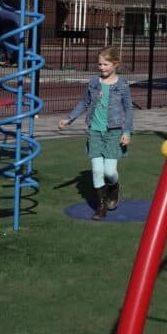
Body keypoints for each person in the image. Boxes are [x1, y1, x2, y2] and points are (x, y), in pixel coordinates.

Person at [58, 46, 133, 220]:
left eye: (106, 64)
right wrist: (69, 119)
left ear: (115, 64)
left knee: (110, 172)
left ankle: (114, 187)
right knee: (98, 170)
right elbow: (84, 103)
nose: (102, 68)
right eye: (100, 64)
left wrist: (127, 132)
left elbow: (128, 109)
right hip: (95, 132)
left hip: (114, 132)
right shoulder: (93, 83)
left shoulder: (122, 85)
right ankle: (101, 207)